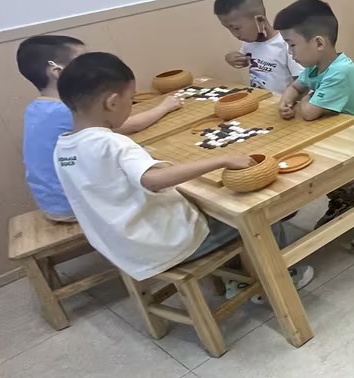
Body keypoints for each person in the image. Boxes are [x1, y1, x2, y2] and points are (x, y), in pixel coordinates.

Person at [52, 51, 312, 287]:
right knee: (259, 216)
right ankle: (281, 282)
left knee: (205, 205)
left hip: (124, 250)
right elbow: (153, 180)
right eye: (130, 100)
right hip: (167, 246)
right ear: (111, 103)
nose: (131, 106)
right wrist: (220, 160)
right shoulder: (111, 143)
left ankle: (236, 281)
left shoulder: (63, 149)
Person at [275, 0, 354, 251]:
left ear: (319, 43)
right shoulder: (314, 67)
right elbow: (295, 87)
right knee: (320, 156)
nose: (290, 52)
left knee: (333, 166)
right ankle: (344, 199)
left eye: (292, 45)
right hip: (350, 130)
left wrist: (302, 101)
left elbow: (309, 113)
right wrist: (286, 101)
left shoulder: (340, 71)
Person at [18, 35, 182, 223]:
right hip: (74, 205)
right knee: (172, 190)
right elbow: (130, 125)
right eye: (82, 61)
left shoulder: (37, 108)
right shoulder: (66, 111)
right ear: (57, 72)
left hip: (52, 202)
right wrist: (164, 107)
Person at [213, 0, 300, 94]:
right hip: (260, 99)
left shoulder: (286, 44)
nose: (235, 34)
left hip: (283, 102)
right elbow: (244, 61)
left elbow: (302, 81)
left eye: (236, 28)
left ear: (259, 19)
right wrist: (231, 58)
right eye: (228, 29)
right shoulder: (249, 42)